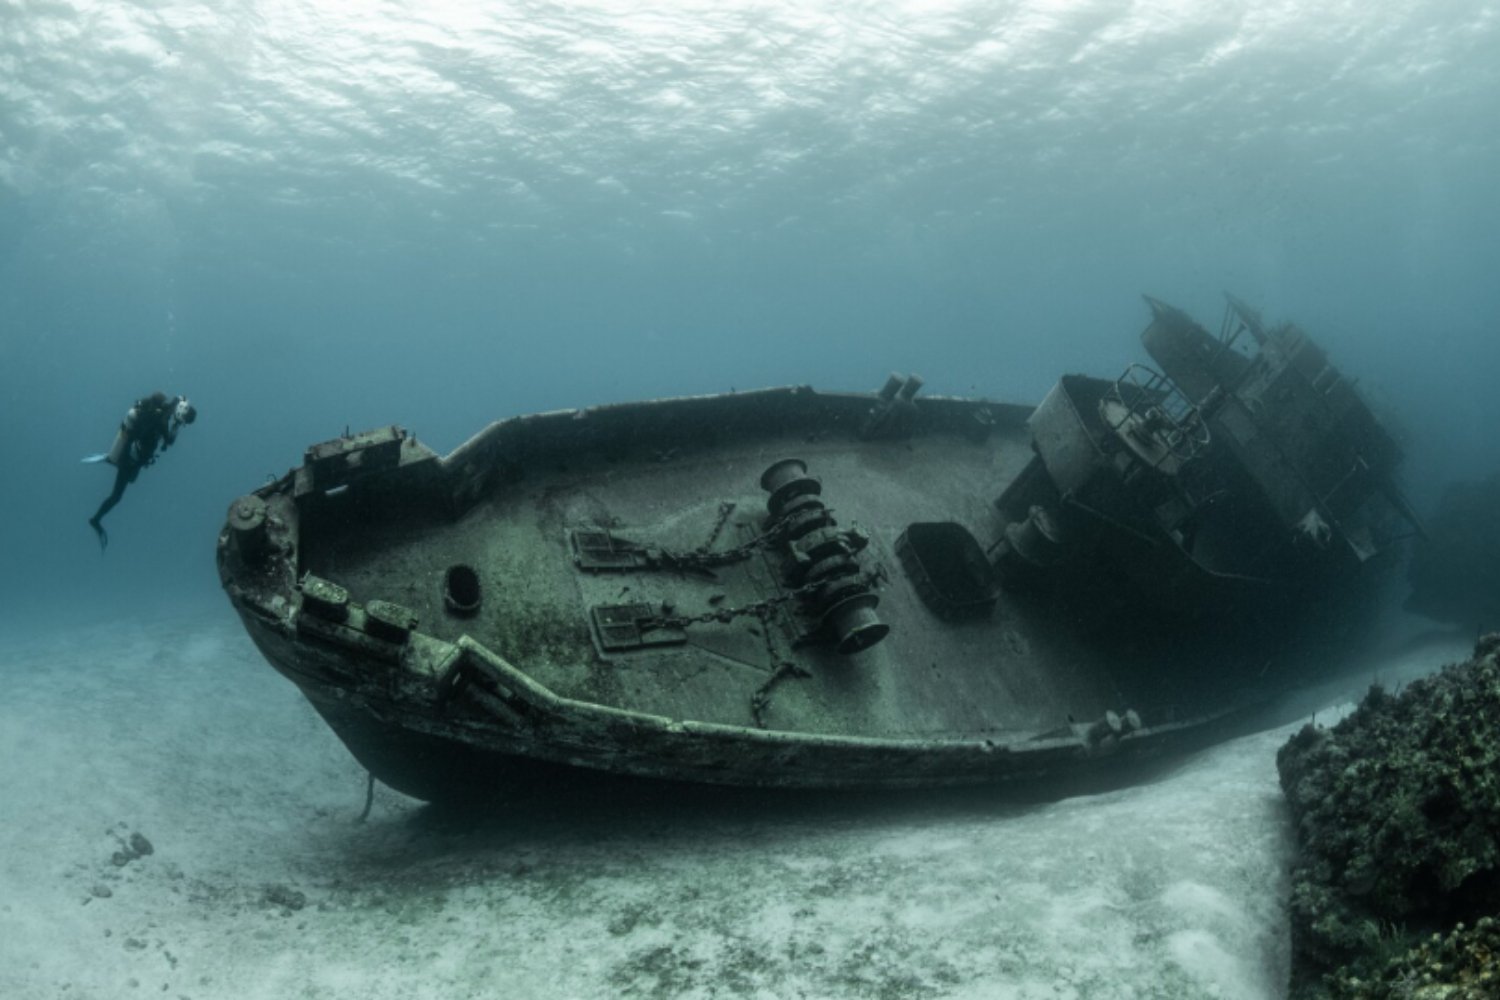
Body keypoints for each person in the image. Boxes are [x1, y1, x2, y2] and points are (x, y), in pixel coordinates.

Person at [85, 392, 197, 550]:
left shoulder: (166, 409)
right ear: (181, 412)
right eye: (183, 420)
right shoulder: (162, 419)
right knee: (116, 496)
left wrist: (177, 419)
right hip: (130, 461)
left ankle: (111, 459)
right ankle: (95, 520)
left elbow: (177, 400)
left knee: (129, 482)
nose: (181, 422)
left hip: (134, 459)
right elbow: (169, 440)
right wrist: (176, 426)